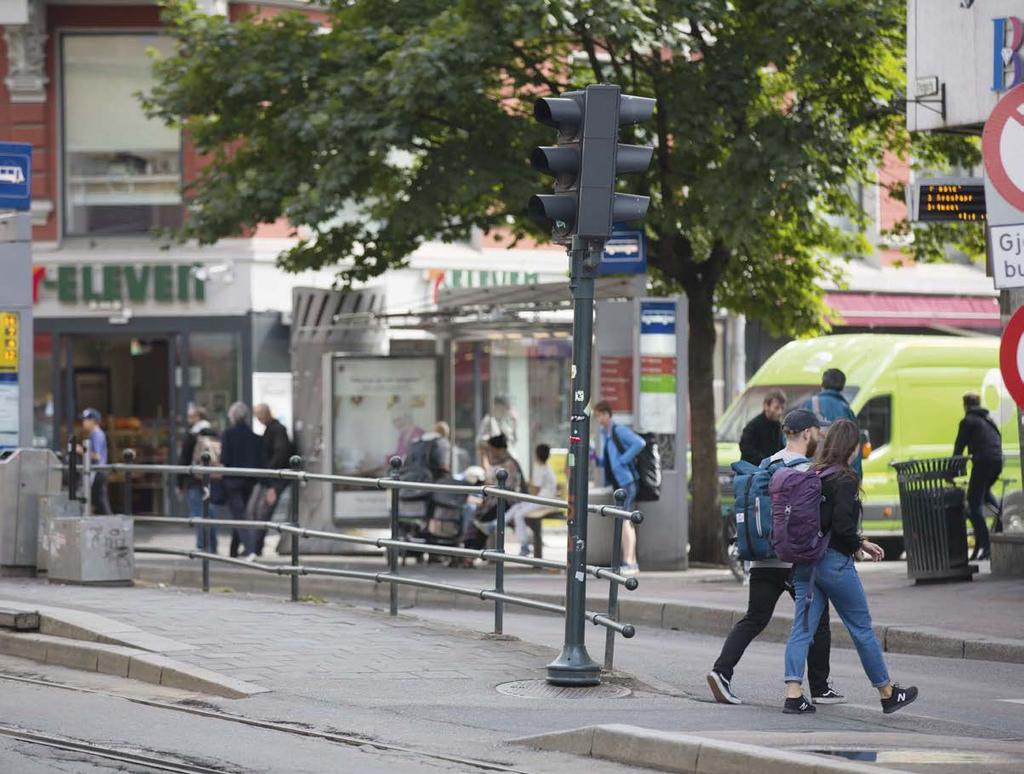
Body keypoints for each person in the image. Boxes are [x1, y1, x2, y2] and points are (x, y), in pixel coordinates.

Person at [783, 419, 918, 716]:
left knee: (802, 629)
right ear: (851, 447)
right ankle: (886, 692)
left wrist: (857, 542)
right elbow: (843, 527)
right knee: (861, 628)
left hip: (806, 563)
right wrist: (860, 544)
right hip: (833, 564)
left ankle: (793, 693)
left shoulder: (813, 472)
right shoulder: (844, 478)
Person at [708, 409, 842, 706]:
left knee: (754, 618)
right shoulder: (806, 470)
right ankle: (820, 687)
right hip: (794, 561)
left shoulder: (766, 464)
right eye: (817, 431)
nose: (819, 435)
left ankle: (721, 672)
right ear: (807, 433)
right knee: (816, 619)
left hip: (763, 558)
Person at [593, 401, 645, 576]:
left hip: (626, 482)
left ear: (608, 414)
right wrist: (598, 460)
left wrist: (623, 460)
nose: (598, 419)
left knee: (625, 521)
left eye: (600, 415)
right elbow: (610, 459)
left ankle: (629, 562)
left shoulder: (618, 430)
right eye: (597, 416)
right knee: (625, 521)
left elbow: (639, 443)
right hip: (618, 483)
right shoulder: (605, 434)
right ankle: (631, 562)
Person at [953, 392, 1002, 561]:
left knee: (974, 505)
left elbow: (959, 448)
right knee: (984, 493)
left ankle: (987, 546)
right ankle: (1001, 524)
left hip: (983, 463)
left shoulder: (968, 421)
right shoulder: (988, 419)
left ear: (965, 405)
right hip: (997, 461)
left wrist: (951, 472)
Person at [221, 402, 266, 560]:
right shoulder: (254, 437)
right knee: (240, 513)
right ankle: (233, 551)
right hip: (249, 481)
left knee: (239, 515)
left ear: (232, 417)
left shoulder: (227, 434)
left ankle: (250, 549)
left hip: (232, 481)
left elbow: (224, 458)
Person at [177, 406, 222, 552]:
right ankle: (213, 546)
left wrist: (179, 483)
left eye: (191, 416)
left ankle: (203, 546)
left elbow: (183, 460)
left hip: (194, 481)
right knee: (211, 513)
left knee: (198, 513)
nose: (189, 419)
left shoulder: (191, 436)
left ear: (197, 417)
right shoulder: (216, 434)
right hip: (213, 480)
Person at [802, 368, 861, 478]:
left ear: (822, 384)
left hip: (811, 473)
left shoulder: (808, 405)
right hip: (839, 475)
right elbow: (855, 447)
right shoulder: (846, 411)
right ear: (842, 387)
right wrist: (857, 477)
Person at [254, 403, 294, 556]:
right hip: (274, 476)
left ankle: (256, 547)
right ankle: (256, 546)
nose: (258, 420)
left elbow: (280, 452)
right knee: (262, 510)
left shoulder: (276, 429)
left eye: (259, 416)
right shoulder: (273, 429)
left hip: (275, 477)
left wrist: (269, 470)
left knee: (264, 511)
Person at [505, 444, 559, 556]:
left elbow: (535, 489)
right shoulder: (546, 468)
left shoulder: (541, 469)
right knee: (516, 507)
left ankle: (524, 546)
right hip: (542, 499)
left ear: (537, 455)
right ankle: (497, 524)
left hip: (544, 501)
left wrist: (526, 488)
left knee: (518, 514)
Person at [739, 389, 787, 465]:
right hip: (753, 472)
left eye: (782, 408)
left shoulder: (778, 426)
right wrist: (767, 461)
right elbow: (746, 449)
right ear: (766, 406)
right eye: (776, 408)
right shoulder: (753, 426)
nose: (780, 412)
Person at [79, 408, 111, 515]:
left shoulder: (97, 434)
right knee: (96, 499)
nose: (84, 422)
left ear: (94, 421)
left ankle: (110, 523)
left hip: (98, 472)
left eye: (86, 419)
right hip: (95, 471)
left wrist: (80, 450)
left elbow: (97, 456)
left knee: (99, 499)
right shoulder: (94, 434)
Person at [477, 396, 517, 461]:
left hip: (507, 459)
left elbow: (512, 441)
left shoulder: (504, 422)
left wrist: (514, 424)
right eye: (503, 407)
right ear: (497, 406)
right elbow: (480, 441)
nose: (505, 410)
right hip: (494, 460)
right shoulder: (488, 420)